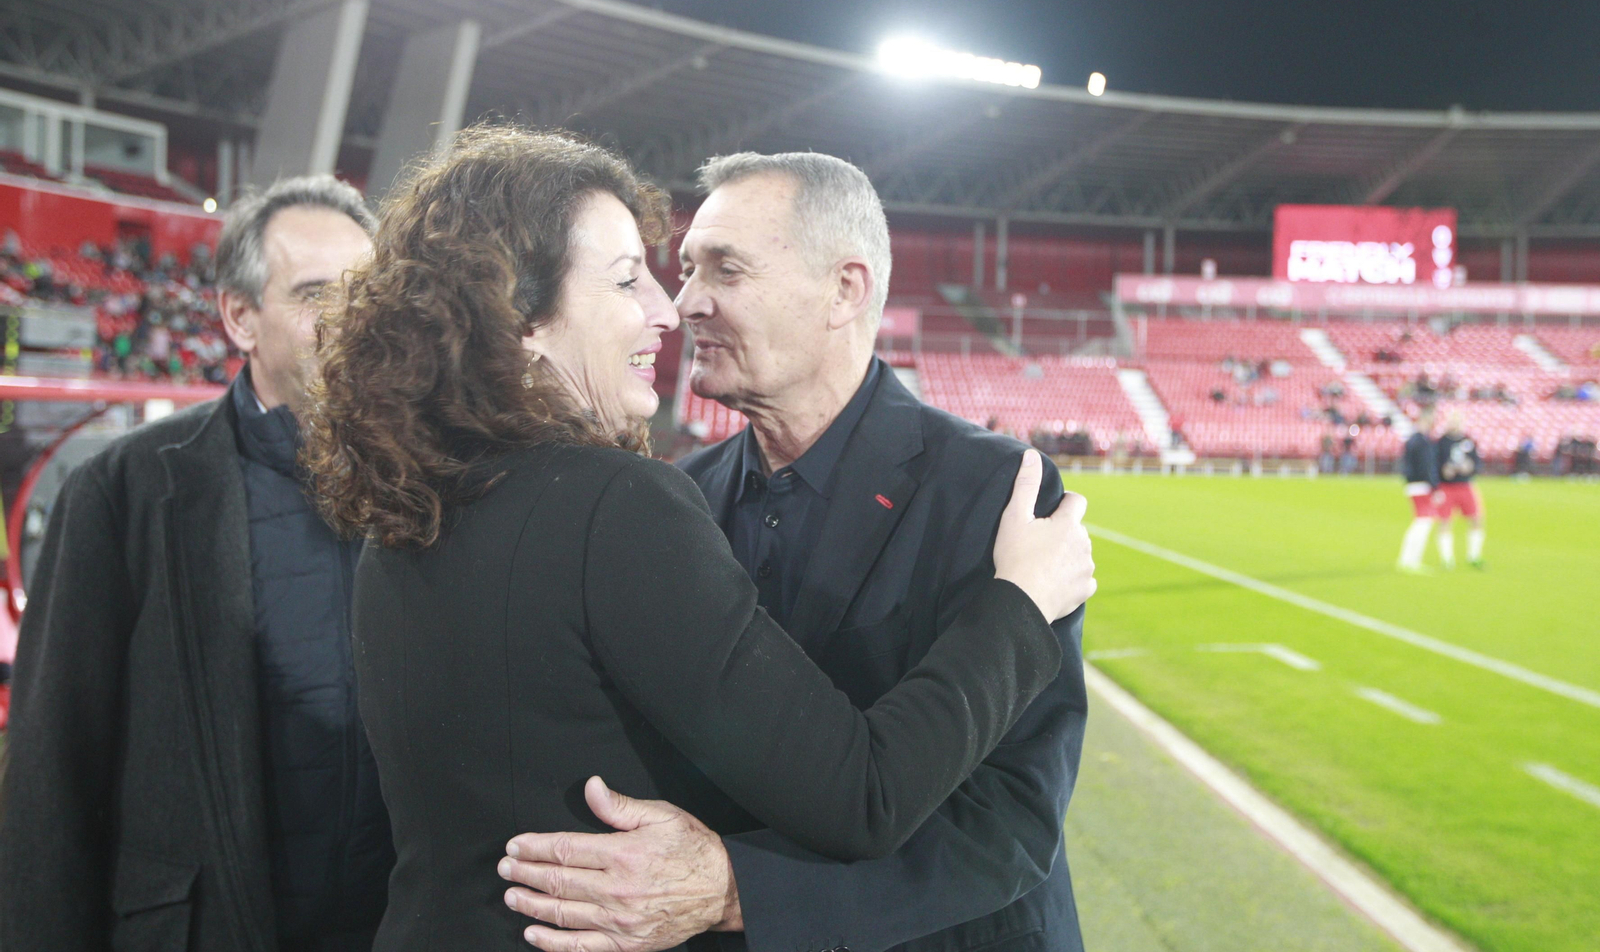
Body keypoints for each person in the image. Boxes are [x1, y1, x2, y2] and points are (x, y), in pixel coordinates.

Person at [301, 126, 1097, 952]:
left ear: (844, 289)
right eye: (678, 270)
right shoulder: (662, 497)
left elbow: (1009, 816)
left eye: (726, 269)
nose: (680, 304)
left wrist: (741, 889)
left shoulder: (996, 494)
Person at [0, 176, 393, 951]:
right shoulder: (125, 492)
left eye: (368, 291)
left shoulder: (428, 487)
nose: (353, 321)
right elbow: (54, 779)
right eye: (317, 295)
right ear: (240, 317)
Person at [1435, 411, 1486, 569]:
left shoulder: (1468, 441)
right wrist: (1443, 471)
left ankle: (1474, 556)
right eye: (1452, 421)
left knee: (1476, 519)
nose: (1455, 424)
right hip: (1446, 487)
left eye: (1457, 421)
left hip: (1465, 485)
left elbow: (1477, 463)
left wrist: (1470, 467)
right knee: (1445, 521)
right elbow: (1434, 465)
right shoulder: (1441, 442)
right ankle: (1447, 559)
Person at [1397, 407, 1440, 573]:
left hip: (1413, 484)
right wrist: (1434, 486)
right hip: (1421, 485)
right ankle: (1411, 560)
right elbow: (1426, 466)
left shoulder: (1413, 440)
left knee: (1420, 522)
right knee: (1423, 522)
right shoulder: (1422, 442)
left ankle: (1407, 558)